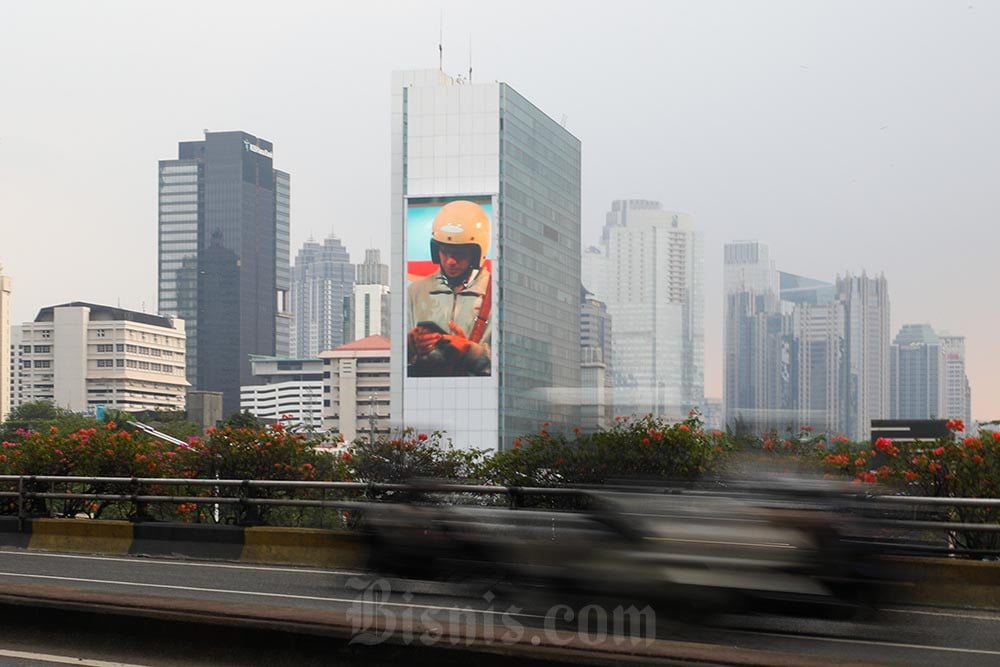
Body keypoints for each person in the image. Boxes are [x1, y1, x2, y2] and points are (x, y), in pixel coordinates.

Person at [407, 200, 492, 377]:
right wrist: (413, 343)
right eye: (444, 251)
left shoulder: (497, 294)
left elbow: (513, 365)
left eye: (459, 254)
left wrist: (469, 351)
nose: (450, 261)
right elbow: (395, 358)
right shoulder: (415, 292)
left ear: (476, 254)